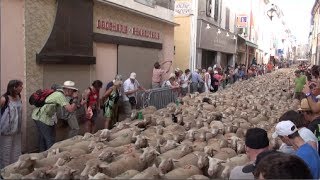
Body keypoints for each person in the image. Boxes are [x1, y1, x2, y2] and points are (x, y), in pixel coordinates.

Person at [32, 80, 80, 151]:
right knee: (50, 139)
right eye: (73, 91)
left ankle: (42, 155)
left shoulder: (59, 94)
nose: (73, 93)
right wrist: (75, 98)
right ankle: (50, 156)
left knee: (43, 138)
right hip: (42, 117)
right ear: (69, 90)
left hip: (39, 116)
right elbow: (70, 109)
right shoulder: (60, 95)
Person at [0, 80, 23, 169]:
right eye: (20, 86)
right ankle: (4, 172)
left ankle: (13, 171)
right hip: (6, 132)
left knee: (16, 152)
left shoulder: (18, 96)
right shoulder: (4, 99)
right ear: (14, 87)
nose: (22, 88)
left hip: (17, 131)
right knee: (5, 152)